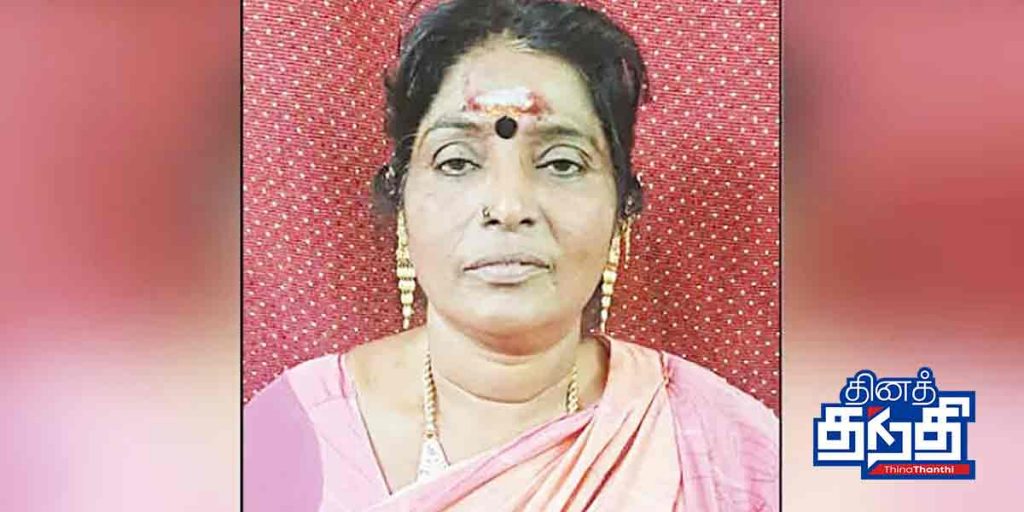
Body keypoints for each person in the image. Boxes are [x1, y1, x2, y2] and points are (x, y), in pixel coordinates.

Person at [244, 0, 778, 510]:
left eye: (562, 163)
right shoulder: (293, 435)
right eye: (456, 162)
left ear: (622, 207)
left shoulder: (719, 446)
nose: (508, 206)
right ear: (401, 198)